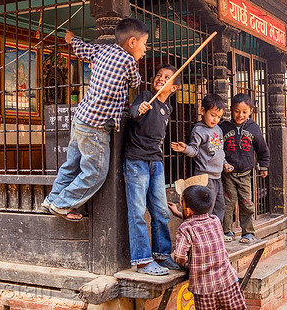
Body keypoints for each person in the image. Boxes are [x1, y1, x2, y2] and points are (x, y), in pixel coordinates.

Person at [42, 18, 148, 221]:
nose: (144, 50)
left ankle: (51, 199)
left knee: (71, 165)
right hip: (96, 127)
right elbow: (136, 82)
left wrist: (71, 39)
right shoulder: (128, 62)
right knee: (95, 173)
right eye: (144, 45)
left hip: (81, 119)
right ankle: (61, 204)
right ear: (132, 42)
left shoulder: (102, 51)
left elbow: (81, 49)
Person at [123, 64, 182, 275]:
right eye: (158, 75)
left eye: (167, 78)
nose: (160, 78)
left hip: (155, 162)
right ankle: (142, 261)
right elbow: (132, 113)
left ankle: (162, 255)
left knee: (161, 211)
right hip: (136, 161)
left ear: (173, 88)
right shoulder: (147, 96)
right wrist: (139, 110)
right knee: (138, 212)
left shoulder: (168, 108)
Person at [173, 185, 246, 310]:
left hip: (204, 289)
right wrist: (181, 214)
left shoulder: (185, 229)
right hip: (227, 281)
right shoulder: (215, 220)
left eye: (182, 204)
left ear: (188, 210)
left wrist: (183, 264)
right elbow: (199, 221)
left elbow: (180, 257)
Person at [171, 94, 229, 222]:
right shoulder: (198, 130)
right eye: (213, 115)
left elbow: (220, 151)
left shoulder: (218, 129)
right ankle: (203, 231)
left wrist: (225, 163)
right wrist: (185, 148)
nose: (215, 119)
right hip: (205, 177)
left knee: (220, 206)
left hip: (218, 176)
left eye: (219, 117)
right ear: (202, 111)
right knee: (206, 207)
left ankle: (215, 230)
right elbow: (194, 151)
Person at [220, 93, 269, 243]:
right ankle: (226, 231)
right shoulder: (223, 127)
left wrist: (264, 166)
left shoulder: (254, 128)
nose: (240, 115)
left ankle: (248, 232)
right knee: (227, 203)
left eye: (244, 111)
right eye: (236, 111)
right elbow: (217, 148)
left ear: (251, 111)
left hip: (245, 174)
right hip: (228, 173)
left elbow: (262, 148)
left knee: (247, 203)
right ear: (231, 109)